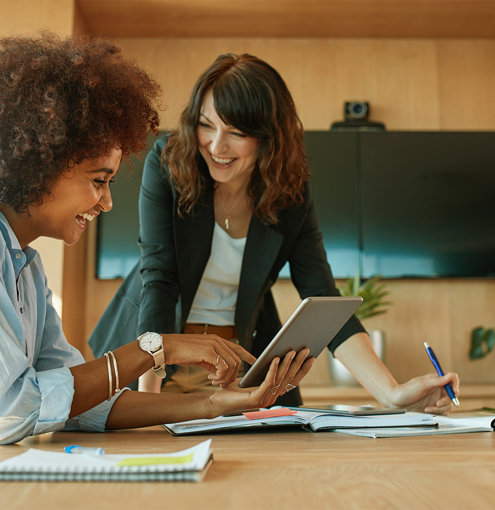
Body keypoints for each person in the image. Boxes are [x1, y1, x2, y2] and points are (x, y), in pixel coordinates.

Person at [0, 35, 311, 452]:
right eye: (99, 181)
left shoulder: (26, 267)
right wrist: (155, 348)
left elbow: (81, 405)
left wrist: (212, 404)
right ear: (41, 164)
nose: (107, 202)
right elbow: (8, 412)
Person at [90, 53, 460, 413]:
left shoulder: (288, 194)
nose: (217, 146)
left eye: (236, 132)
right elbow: (160, 278)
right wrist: (148, 399)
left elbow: (322, 296)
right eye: (206, 125)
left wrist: (392, 394)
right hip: (153, 360)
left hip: (234, 369)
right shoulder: (169, 162)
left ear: (268, 137)